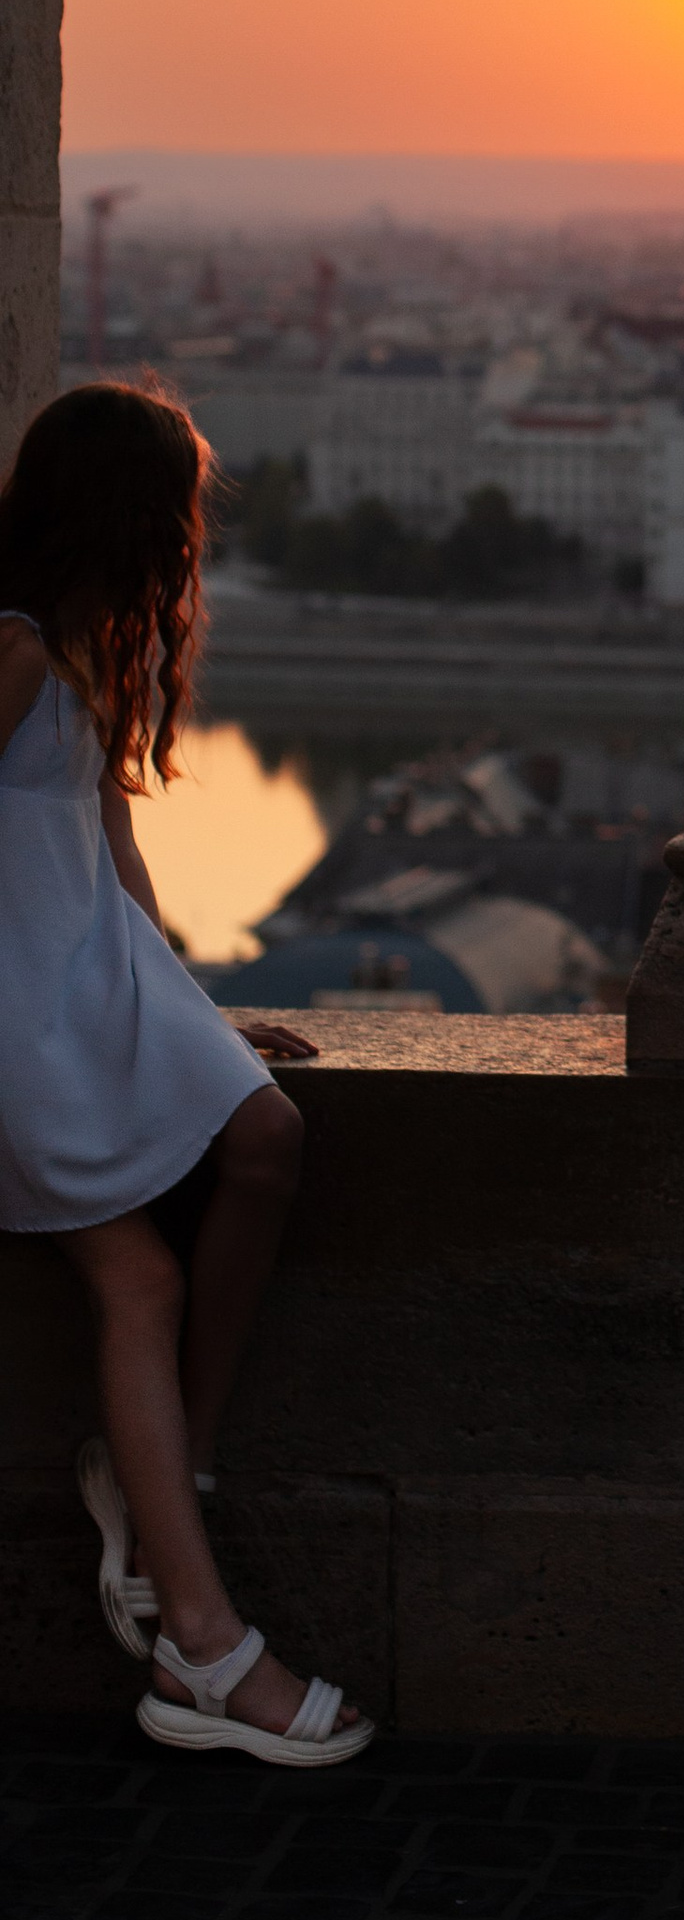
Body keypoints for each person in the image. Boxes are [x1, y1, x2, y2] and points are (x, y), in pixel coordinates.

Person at [0, 382, 371, 1767]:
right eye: (176, 512)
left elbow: (109, 860)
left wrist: (190, 1020)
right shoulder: (20, 652)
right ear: (125, 513)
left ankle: (170, 1480)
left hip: (84, 996)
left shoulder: (82, 650)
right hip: (18, 1024)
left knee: (265, 1136)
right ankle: (205, 1650)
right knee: (139, 1279)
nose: (190, 541)